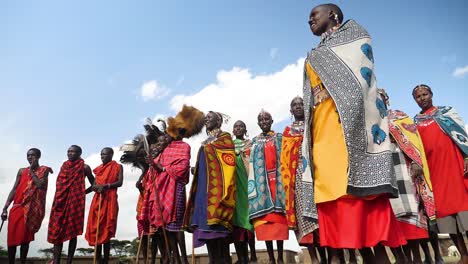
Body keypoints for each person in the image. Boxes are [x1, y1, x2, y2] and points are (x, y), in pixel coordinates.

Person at [300, 4, 405, 263]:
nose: (309, 19)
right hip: (321, 132)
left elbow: (362, 84)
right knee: (329, 192)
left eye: (315, 14)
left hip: (349, 129)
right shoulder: (314, 54)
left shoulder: (355, 38)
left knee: (361, 204)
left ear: (333, 15)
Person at [378, 89, 436, 264]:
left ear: (386, 100)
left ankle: (417, 257)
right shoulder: (370, 121)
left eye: (379, 98)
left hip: (404, 166)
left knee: (412, 209)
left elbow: (413, 139)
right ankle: (401, 258)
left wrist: (416, 161)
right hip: (383, 171)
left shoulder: (399, 116)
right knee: (392, 214)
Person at [413, 84, 468, 264]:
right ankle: (464, 255)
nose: (422, 98)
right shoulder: (416, 121)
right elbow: (414, 147)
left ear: (431, 94)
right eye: (418, 96)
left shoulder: (446, 112)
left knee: (464, 211)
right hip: (434, 174)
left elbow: (462, 135)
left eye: (425, 94)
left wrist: (467, 156)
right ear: (415, 100)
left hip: (456, 168)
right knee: (446, 217)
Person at [184, 110, 236, 264]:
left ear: (218, 121)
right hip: (203, 193)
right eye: (206, 118)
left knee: (220, 235)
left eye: (210, 118)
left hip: (218, 192)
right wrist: (197, 168)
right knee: (206, 233)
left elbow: (229, 161)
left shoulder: (224, 139)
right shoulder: (206, 142)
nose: (206, 120)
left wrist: (207, 153)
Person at [280, 97, 326, 264]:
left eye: (301, 104)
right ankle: (314, 258)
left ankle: (332, 255)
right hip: (298, 177)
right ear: (291, 111)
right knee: (304, 216)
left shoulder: (314, 125)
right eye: (294, 105)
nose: (298, 107)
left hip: (318, 174)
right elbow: (284, 160)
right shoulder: (287, 132)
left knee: (322, 215)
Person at [248, 110, 288, 264]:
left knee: (279, 224)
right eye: (261, 119)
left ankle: (279, 258)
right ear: (258, 123)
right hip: (262, 187)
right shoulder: (254, 142)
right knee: (266, 225)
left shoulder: (279, 137)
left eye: (266, 119)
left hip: (277, 184)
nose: (264, 121)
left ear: (272, 121)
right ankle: (271, 258)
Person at [147, 126, 191, 263]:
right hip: (163, 189)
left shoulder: (184, 147)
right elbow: (158, 167)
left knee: (177, 223)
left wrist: (163, 168)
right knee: (167, 225)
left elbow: (183, 167)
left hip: (176, 186)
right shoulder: (165, 149)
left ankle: (183, 260)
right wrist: (152, 163)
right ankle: (175, 259)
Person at [1, 148, 52, 264]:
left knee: (25, 240)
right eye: (28, 155)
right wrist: (5, 208)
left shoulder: (44, 170)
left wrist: (32, 172)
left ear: (38, 156)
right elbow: (14, 189)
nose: (30, 158)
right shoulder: (21, 171)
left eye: (33, 155)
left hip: (31, 211)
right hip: (17, 208)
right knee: (12, 240)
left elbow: (40, 185)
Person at [47, 145, 95, 264]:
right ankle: (56, 260)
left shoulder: (85, 167)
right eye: (68, 151)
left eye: (73, 152)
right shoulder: (64, 166)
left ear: (79, 153)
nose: (69, 153)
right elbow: (60, 184)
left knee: (73, 232)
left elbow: (94, 184)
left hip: (75, 203)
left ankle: (69, 261)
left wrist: (82, 193)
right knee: (57, 230)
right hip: (60, 201)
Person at [85, 147, 123, 264]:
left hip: (109, 200)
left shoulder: (117, 166)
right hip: (97, 201)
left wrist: (105, 186)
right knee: (96, 228)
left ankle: (105, 260)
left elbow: (120, 182)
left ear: (111, 154)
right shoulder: (100, 169)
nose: (102, 157)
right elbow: (94, 185)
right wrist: (83, 193)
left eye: (105, 154)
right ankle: (97, 259)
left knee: (106, 229)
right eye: (101, 155)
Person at [232, 120, 256, 264]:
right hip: (234, 188)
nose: (238, 128)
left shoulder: (250, 144)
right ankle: (241, 257)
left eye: (241, 126)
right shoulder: (228, 146)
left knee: (248, 221)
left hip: (247, 185)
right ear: (233, 130)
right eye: (236, 126)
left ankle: (252, 254)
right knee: (236, 223)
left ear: (245, 129)